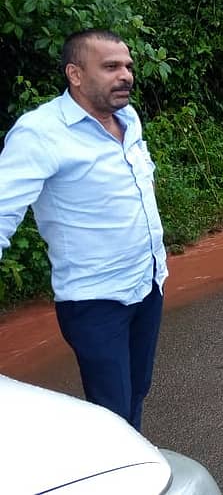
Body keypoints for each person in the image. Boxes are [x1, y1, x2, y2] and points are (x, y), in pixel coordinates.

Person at [0, 29, 168, 431]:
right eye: (110, 67)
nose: (125, 75)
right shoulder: (39, 133)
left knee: (136, 391)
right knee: (111, 409)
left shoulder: (127, 118)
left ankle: (135, 465)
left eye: (127, 66)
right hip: (95, 300)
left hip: (148, 283)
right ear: (75, 74)